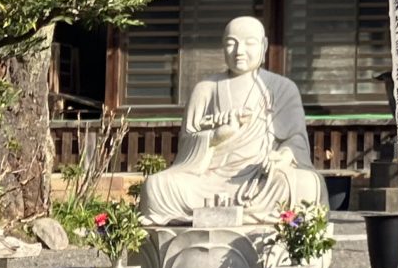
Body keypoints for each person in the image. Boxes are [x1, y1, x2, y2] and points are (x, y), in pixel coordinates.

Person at [139, 15, 326, 223]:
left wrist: (283, 156)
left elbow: (296, 139)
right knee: (156, 186)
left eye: (249, 43)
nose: (239, 51)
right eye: (231, 43)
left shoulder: (282, 88)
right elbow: (186, 142)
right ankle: (241, 215)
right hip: (208, 179)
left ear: (264, 46)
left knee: (307, 184)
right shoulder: (206, 88)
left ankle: (236, 214)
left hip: (260, 177)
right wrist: (215, 137)